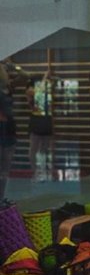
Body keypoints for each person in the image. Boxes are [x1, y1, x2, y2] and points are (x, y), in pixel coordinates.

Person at [0, 61, 27, 199]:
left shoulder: (9, 87)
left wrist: (12, 66)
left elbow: (24, 75)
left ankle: (2, 198)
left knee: (5, 169)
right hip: (2, 127)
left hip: (8, 127)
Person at [27, 70, 55, 182]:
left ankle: (43, 171)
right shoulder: (30, 90)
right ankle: (34, 172)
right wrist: (44, 78)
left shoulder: (45, 89)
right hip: (36, 119)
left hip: (46, 119)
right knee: (34, 147)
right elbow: (38, 94)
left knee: (44, 148)